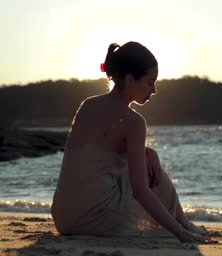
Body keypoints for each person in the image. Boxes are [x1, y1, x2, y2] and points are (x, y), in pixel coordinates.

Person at [52, 41, 212, 243]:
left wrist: (148, 152)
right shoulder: (133, 122)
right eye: (149, 82)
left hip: (63, 216)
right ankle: (183, 226)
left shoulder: (88, 105)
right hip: (94, 218)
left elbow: (98, 153)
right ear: (129, 79)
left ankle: (184, 224)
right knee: (158, 178)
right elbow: (140, 190)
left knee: (147, 164)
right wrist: (180, 235)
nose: (153, 90)